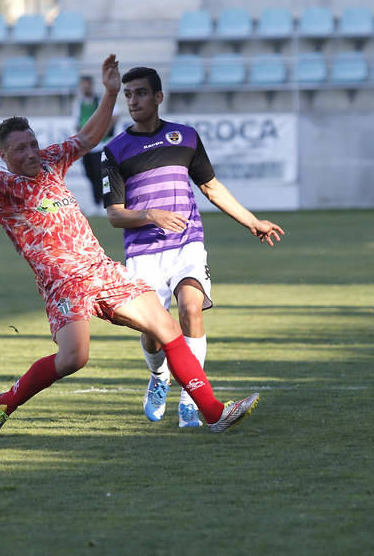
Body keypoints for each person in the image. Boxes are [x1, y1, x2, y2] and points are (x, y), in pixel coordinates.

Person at [0, 54, 262, 439]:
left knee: (167, 327)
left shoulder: (50, 162)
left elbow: (90, 137)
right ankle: (5, 403)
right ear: (3, 156)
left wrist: (109, 93)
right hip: (64, 284)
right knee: (74, 359)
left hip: (101, 269)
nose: (30, 153)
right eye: (20, 149)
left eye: (32, 144)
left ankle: (213, 413)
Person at [102, 66, 284, 428]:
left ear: (158, 97)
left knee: (191, 309)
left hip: (187, 245)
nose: (133, 101)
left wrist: (253, 221)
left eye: (140, 93)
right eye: (128, 95)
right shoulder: (115, 150)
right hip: (143, 252)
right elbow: (114, 216)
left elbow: (212, 188)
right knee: (153, 334)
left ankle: (190, 395)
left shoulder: (185, 137)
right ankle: (159, 379)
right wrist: (150, 214)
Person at [73, 74, 119, 207]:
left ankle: (102, 201)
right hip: (86, 145)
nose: (85, 87)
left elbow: (115, 115)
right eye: (83, 84)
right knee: (89, 173)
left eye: (87, 84)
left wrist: (102, 131)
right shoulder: (79, 103)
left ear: (91, 85)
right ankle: (96, 201)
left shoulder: (101, 100)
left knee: (100, 174)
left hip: (101, 145)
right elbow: (77, 122)